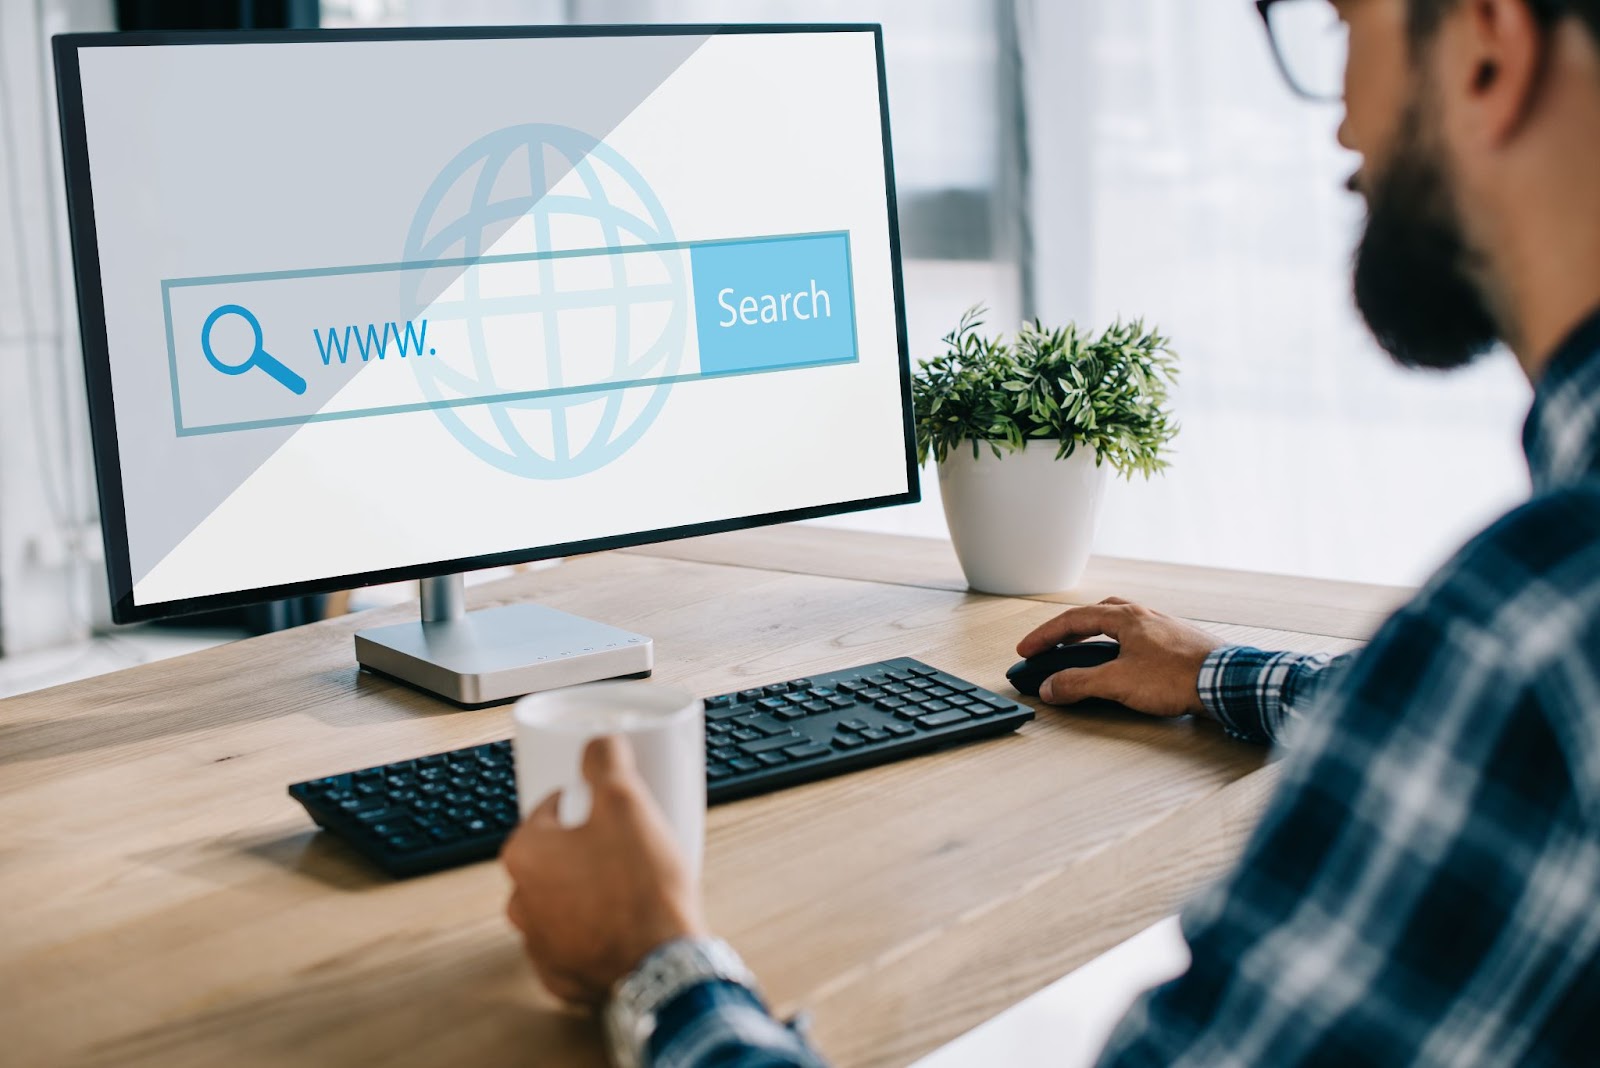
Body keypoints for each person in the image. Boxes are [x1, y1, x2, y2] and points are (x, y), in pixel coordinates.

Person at [500, 0, 1600, 1063]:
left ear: (1486, 48)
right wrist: (1223, 672)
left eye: (1339, 24)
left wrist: (658, 964)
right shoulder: (1522, 661)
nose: (1345, 123)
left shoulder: (1530, 634)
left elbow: (1510, 714)